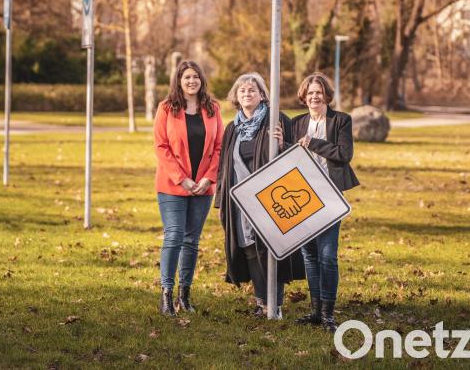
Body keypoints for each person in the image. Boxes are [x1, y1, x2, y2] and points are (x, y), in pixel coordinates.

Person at [214, 72, 305, 318]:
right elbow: (224, 164)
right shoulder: (232, 128)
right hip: (239, 200)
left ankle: (275, 303)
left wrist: (283, 143)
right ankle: (261, 301)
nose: (247, 94)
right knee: (249, 247)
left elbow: (297, 156)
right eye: (242, 91)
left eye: (252, 90)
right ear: (236, 96)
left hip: (271, 198)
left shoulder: (276, 121)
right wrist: (221, 199)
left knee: (271, 248)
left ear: (262, 94)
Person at [281, 72, 359, 332]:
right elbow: (289, 158)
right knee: (309, 255)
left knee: (327, 256)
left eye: (319, 92)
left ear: (327, 95)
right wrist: (282, 144)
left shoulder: (340, 121)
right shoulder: (297, 123)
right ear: (304, 96)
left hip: (330, 194)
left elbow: (344, 154)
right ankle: (315, 312)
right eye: (310, 93)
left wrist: (314, 143)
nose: (314, 97)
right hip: (304, 196)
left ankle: (328, 314)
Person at [154, 60, 223, 316]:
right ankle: (166, 294)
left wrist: (208, 178)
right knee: (174, 236)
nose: (191, 81)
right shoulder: (167, 108)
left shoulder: (212, 108)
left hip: (203, 187)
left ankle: (185, 295)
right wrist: (182, 179)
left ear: (201, 80)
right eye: (187, 78)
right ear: (179, 81)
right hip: (172, 185)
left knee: (191, 240)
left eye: (195, 77)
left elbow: (219, 146)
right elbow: (161, 146)